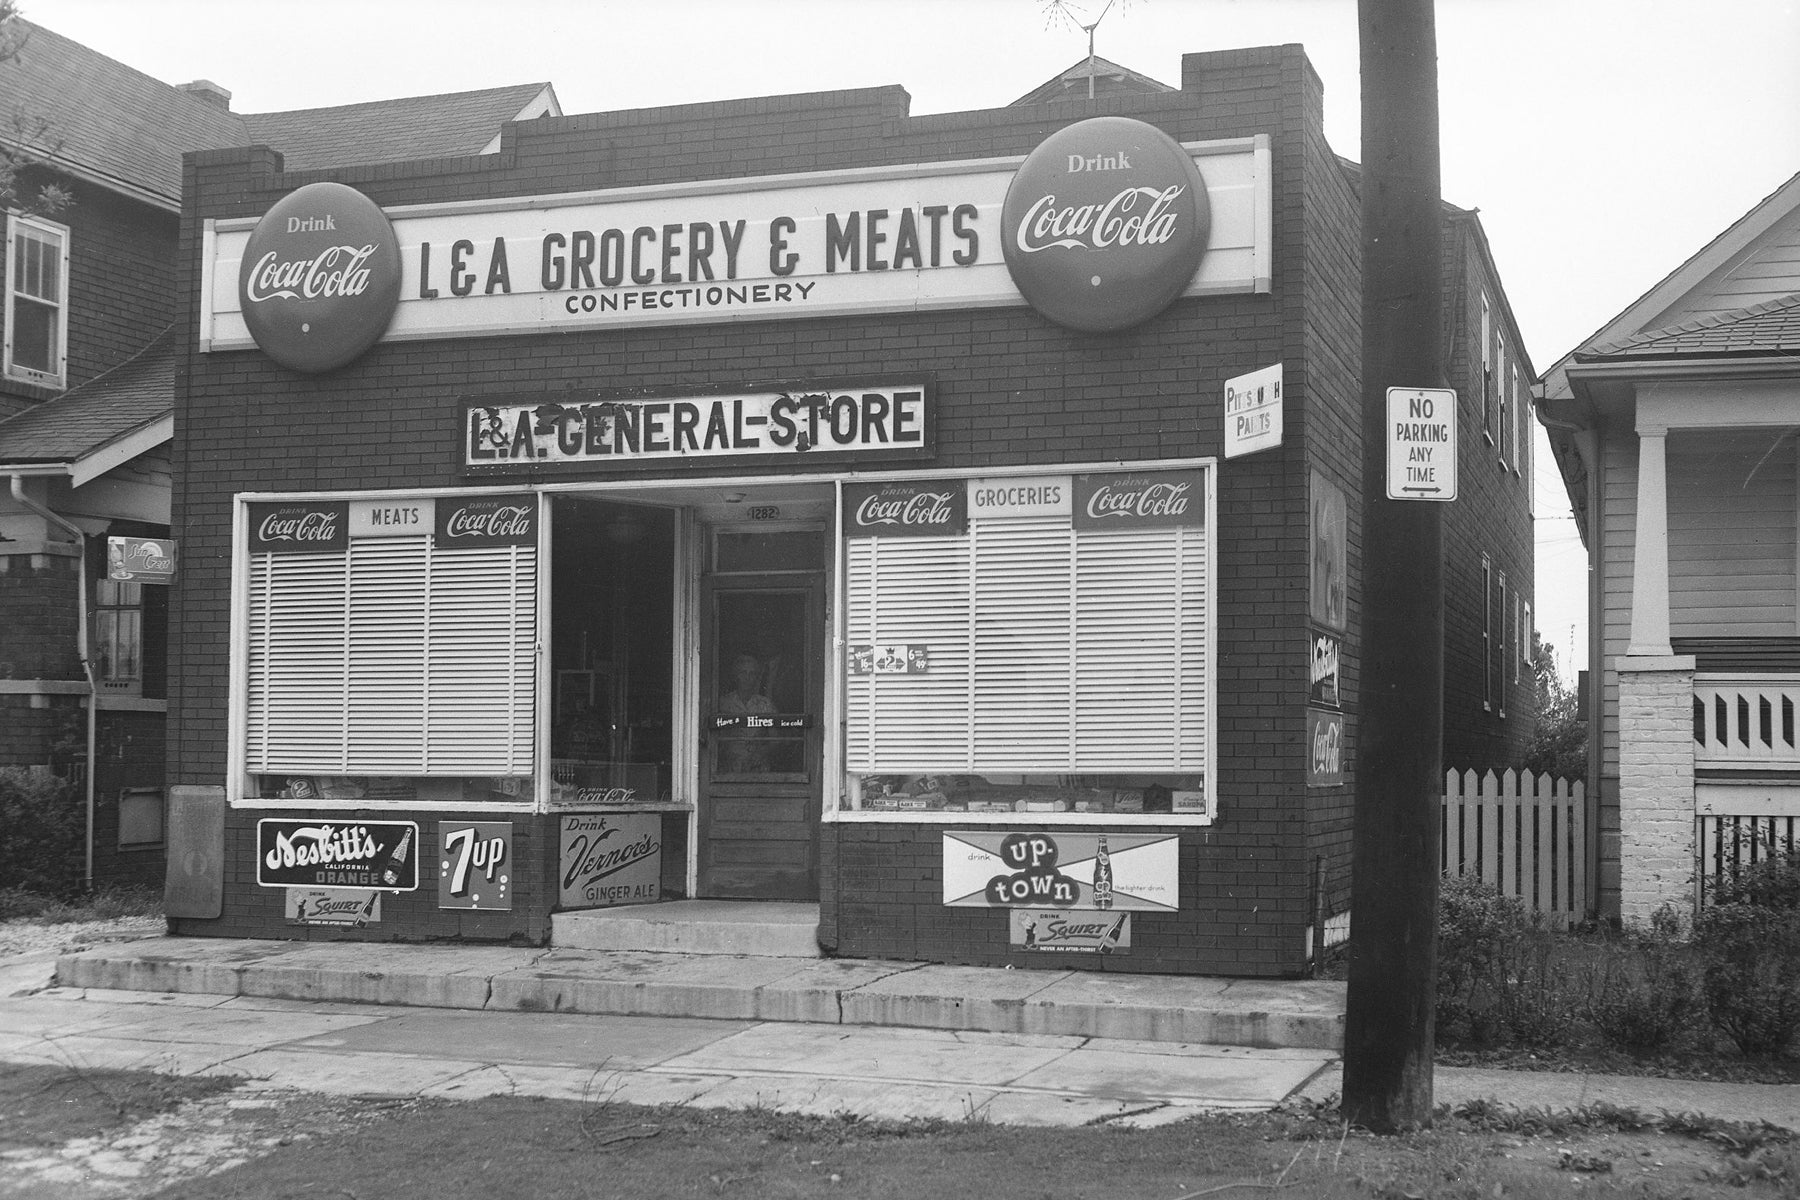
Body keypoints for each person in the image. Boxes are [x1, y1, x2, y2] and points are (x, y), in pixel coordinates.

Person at [718, 653, 774, 772]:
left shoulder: (765, 704)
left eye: (752, 673)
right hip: (731, 768)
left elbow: (776, 738)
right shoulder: (724, 703)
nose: (747, 678)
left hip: (759, 768)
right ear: (735, 676)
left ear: (756, 677)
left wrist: (762, 752)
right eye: (743, 673)